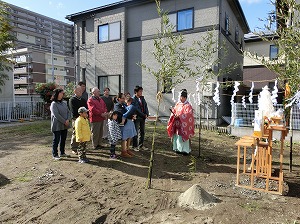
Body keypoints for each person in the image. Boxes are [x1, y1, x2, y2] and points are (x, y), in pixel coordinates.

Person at [167, 89, 195, 155]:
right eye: (180, 97)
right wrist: (173, 114)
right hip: (177, 124)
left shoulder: (188, 106)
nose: (181, 98)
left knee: (183, 136)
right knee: (177, 137)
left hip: (184, 125)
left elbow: (188, 114)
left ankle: (185, 150)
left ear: (185, 98)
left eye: (182, 97)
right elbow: (174, 111)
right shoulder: (178, 104)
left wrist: (179, 116)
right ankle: (177, 149)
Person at [50, 88, 71, 160]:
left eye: (63, 93)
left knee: (63, 139)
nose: (63, 94)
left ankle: (62, 152)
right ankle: (55, 154)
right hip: (57, 125)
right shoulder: (54, 104)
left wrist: (68, 119)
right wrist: (64, 121)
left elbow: (68, 112)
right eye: (61, 93)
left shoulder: (64, 103)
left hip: (65, 124)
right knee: (56, 139)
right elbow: (56, 115)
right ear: (57, 94)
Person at [114, 93, 137, 158]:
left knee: (129, 136)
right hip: (123, 124)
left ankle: (127, 149)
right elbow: (121, 113)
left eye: (124, 98)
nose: (124, 99)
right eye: (123, 98)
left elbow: (130, 111)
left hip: (129, 122)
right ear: (119, 99)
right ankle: (123, 151)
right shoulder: (117, 105)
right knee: (124, 137)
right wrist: (130, 114)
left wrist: (133, 115)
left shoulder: (124, 104)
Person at [69, 85, 88, 154]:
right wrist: (81, 114)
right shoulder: (72, 100)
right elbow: (74, 110)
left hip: (84, 118)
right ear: (75, 91)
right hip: (76, 119)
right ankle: (74, 148)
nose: (80, 92)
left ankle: (81, 146)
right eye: (79, 91)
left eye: (81, 91)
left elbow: (86, 109)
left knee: (83, 132)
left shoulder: (83, 99)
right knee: (76, 133)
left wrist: (85, 115)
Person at [132, 85, 149, 151]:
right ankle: (135, 146)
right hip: (137, 117)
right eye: (140, 91)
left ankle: (141, 145)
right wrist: (143, 115)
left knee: (142, 132)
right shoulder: (133, 99)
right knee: (136, 132)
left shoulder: (142, 98)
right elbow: (136, 109)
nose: (141, 92)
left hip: (143, 117)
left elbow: (145, 106)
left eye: (141, 91)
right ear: (136, 92)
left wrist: (147, 113)